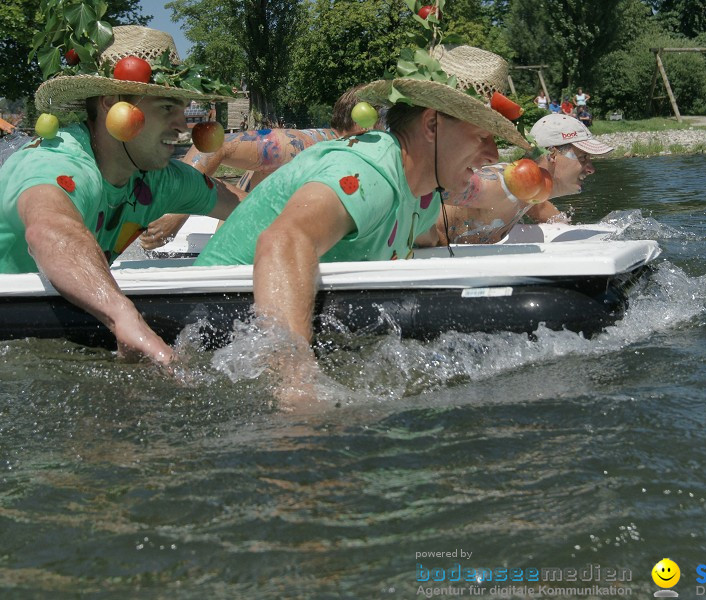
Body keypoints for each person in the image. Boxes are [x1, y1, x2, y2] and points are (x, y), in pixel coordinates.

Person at [193, 46, 529, 377]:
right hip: (207, 328)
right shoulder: (367, 172)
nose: (493, 155)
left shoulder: (424, 193)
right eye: (483, 136)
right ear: (432, 125)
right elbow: (284, 240)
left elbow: (425, 235)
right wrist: (297, 386)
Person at [0, 26, 243, 364]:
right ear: (111, 105)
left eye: (182, 108)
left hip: (42, 337)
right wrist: (123, 314)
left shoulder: (158, 179)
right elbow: (50, 229)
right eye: (167, 108)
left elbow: (248, 208)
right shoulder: (55, 163)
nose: (183, 126)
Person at [138, 86, 386, 250]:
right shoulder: (304, 144)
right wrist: (178, 211)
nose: (386, 132)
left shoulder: (342, 152)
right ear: (362, 122)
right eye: (383, 123)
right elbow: (216, 144)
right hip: (238, 257)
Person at [417, 112, 613, 246]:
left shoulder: (531, 194)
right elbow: (431, 188)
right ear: (553, 155)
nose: (591, 169)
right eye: (583, 158)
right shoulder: (504, 185)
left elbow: (549, 215)